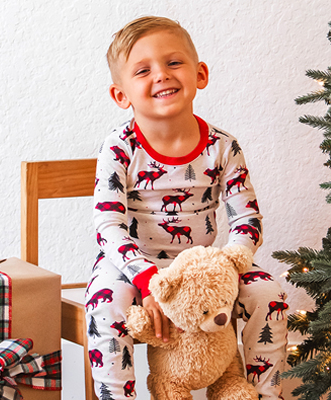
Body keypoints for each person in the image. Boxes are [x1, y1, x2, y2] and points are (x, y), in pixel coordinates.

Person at [87, 16, 287, 400]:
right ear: (121, 95)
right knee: (106, 304)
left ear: (200, 74)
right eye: (143, 70)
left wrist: (229, 264)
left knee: (269, 294)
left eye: (173, 63)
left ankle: (263, 394)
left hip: (205, 264)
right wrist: (144, 278)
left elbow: (246, 218)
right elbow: (107, 225)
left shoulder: (223, 147)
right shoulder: (119, 148)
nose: (161, 75)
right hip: (135, 265)